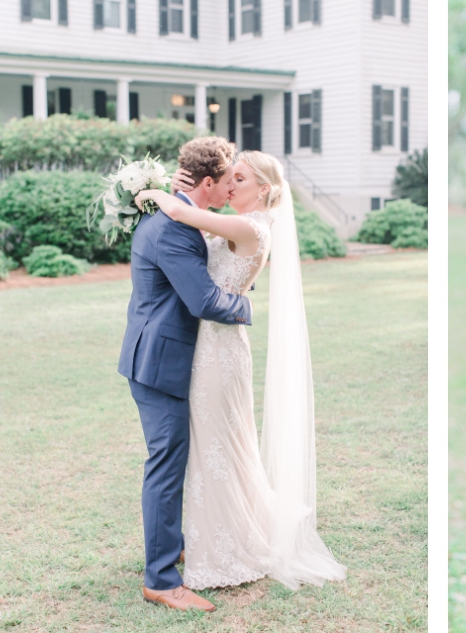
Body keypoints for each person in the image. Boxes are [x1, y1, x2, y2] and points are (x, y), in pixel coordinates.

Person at [134, 150, 346, 594]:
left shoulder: (252, 225)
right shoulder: (239, 221)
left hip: (218, 349)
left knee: (217, 448)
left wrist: (151, 189)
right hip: (206, 344)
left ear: (263, 190)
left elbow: (179, 210)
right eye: (228, 179)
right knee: (216, 448)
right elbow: (190, 219)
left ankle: (224, 544)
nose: (231, 187)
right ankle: (212, 537)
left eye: (240, 179)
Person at [118, 136, 252, 612]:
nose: (233, 185)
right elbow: (204, 302)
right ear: (209, 183)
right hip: (160, 363)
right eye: (228, 178)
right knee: (166, 467)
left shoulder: (173, 213)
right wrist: (248, 305)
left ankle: (171, 550)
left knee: (172, 462)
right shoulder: (174, 228)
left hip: (156, 354)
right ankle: (160, 579)